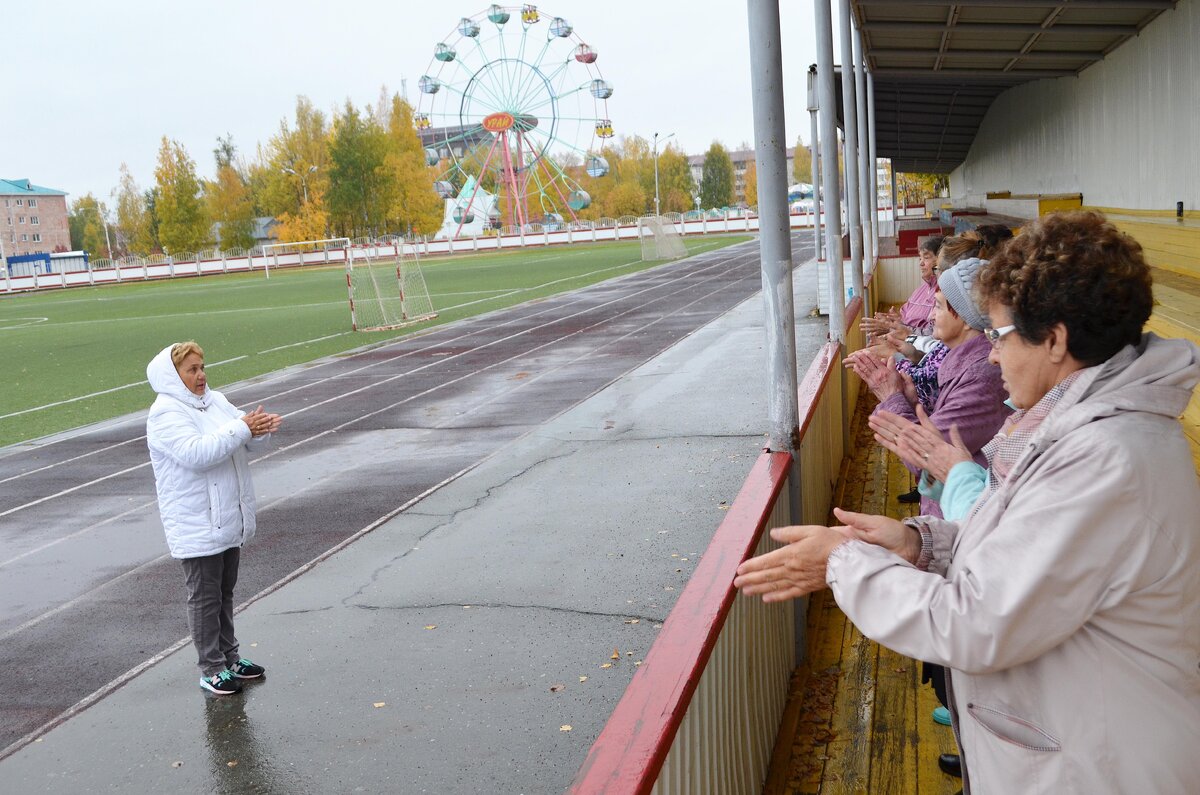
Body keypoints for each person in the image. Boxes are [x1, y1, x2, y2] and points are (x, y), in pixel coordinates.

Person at [735, 211, 1200, 792]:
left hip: (1103, 768)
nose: (992, 356)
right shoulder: (1087, 429)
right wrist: (918, 542)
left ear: (1054, 340)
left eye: (1001, 336)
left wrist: (841, 561)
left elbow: (975, 624)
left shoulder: (1106, 457)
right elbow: (1018, 538)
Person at [146, 341, 282, 695]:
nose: (201, 374)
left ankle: (229, 656)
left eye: (202, 366)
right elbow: (197, 454)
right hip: (196, 521)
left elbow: (244, 438)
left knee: (224, 592)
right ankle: (210, 667)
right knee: (204, 596)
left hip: (226, 517)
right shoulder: (166, 412)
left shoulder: (215, 401)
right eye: (191, 370)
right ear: (174, 376)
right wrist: (242, 428)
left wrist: (260, 428)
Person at [844, 257, 1011, 519]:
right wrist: (911, 403)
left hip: (959, 523)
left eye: (939, 306)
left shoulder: (983, 376)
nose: (932, 315)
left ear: (966, 319)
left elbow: (926, 460)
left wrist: (890, 396)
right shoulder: (968, 363)